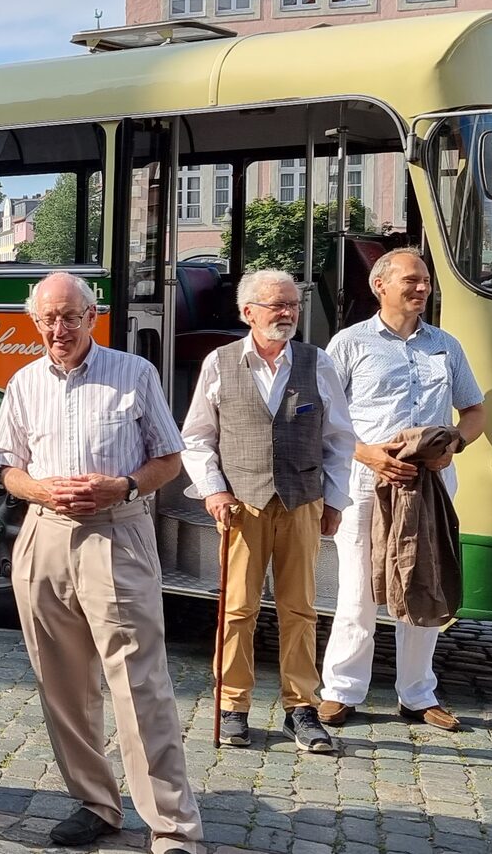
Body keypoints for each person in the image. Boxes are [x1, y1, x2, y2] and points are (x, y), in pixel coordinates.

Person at [0, 271, 204, 854]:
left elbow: (170, 459)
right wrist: (37, 492)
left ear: (92, 316)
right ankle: (96, 804)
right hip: (44, 538)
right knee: (62, 685)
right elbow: (7, 467)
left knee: (141, 685)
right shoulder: (25, 381)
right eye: (48, 319)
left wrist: (125, 486)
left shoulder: (134, 373)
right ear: (35, 322)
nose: (58, 329)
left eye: (70, 316)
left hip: (116, 535)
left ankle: (172, 828)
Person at [179, 268, 356, 755]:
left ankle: (302, 707)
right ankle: (233, 705)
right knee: (237, 609)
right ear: (247, 312)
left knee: (299, 609)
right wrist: (213, 491)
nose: (287, 313)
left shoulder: (317, 364)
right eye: (276, 305)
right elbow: (196, 438)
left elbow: (339, 438)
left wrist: (335, 499)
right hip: (242, 504)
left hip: (301, 501)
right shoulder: (220, 362)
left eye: (293, 305)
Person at [319, 247, 485, 732]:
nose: (421, 287)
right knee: (358, 591)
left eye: (426, 280)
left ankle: (417, 695)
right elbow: (326, 418)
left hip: (430, 485)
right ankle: (341, 691)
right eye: (411, 280)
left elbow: (475, 412)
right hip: (366, 484)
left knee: (422, 584)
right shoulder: (349, 344)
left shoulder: (446, 346)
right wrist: (368, 453)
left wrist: (453, 443)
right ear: (380, 286)